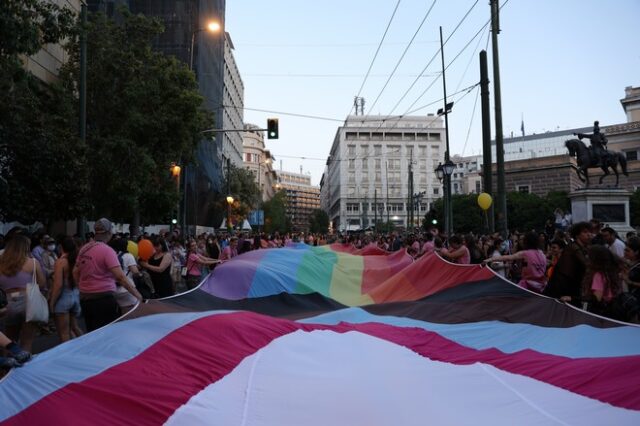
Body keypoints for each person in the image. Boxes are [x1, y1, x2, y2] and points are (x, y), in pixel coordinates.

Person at [73, 218, 142, 332]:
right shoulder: (108, 251)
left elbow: (75, 271)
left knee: (91, 332)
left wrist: (81, 288)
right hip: (103, 299)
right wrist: (137, 295)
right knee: (105, 334)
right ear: (109, 233)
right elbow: (121, 277)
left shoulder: (84, 248)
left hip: (86, 299)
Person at [0, 235, 46, 352]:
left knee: (9, 341)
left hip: (8, 303)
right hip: (28, 300)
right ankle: (25, 368)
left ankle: (8, 369)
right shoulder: (33, 263)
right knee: (27, 342)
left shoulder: (1, 264)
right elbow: (42, 283)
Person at [543, 222, 592, 306]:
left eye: (589, 232)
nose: (589, 234)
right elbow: (586, 264)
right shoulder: (573, 247)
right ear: (577, 235)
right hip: (562, 288)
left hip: (569, 287)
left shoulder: (582, 247)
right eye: (585, 232)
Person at [48, 237, 83, 343]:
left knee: (63, 333)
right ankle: (86, 347)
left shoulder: (60, 262)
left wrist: (52, 302)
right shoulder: (78, 260)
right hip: (75, 295)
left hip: (63, 298)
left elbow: (58, 285)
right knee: (75, 327)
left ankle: (68, 356)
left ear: (61, 247)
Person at [582, 244, 621, 317]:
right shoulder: (609, 272)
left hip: (601, 314)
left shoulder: (598, 275)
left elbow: (597, 298)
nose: (587, 257)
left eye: (589, 255)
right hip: (610, 310)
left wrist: (574, 298)